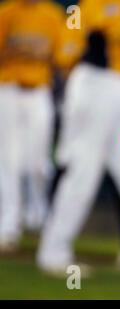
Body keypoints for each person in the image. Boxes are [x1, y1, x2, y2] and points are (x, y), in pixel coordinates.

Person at [37, 0, 120, 274]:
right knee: (82, 173)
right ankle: (53, 251)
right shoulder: (95, 4)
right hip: (97, 84)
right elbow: (99, 37)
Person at [0, 0, 66, 252]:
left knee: (38, 163)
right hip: (8, 89)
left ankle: (37, 215)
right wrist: (22, 50)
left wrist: (34, 52)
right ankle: (9, 226)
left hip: (39, 90)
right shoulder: (7, 12)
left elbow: (60, 55)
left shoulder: (52, 14)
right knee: (8, 160)